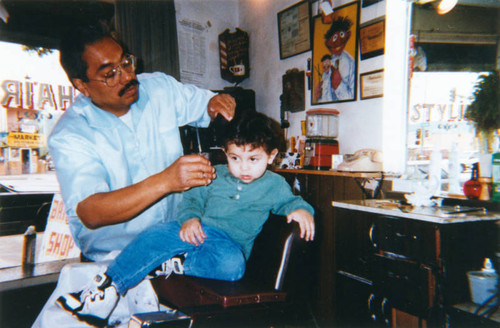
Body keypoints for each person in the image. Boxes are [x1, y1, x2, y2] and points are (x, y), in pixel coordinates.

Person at [56, 112, 315, 327]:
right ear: (225, 153)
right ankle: (105, 289)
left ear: (271, 156)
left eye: (253, 159)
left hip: (226, 246)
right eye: (235, 158)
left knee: (233, 267)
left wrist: (303, 211)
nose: (243, 167)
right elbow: (191, 201)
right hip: (196, 230)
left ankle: (173, 263)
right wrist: (190, 219)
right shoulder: (213, 174)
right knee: (155, 234)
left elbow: (292, 202)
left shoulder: (275, 185)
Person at [48, 24, 236, 263]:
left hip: (175, 244)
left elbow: (205, 103)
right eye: (109, 74)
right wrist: (167, 181)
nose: (127, 77)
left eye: (125, 63)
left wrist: (217, 103)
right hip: (115, 258)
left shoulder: (158, 89)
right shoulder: (70, 134)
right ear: (82, 86)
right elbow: (91, 211)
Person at [324, 16, 355, 100]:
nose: (338, 41)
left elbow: (352, 98)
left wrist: (338, 85)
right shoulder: (329, 62)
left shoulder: (350, 63)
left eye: (341, 35)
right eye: (334, 38)